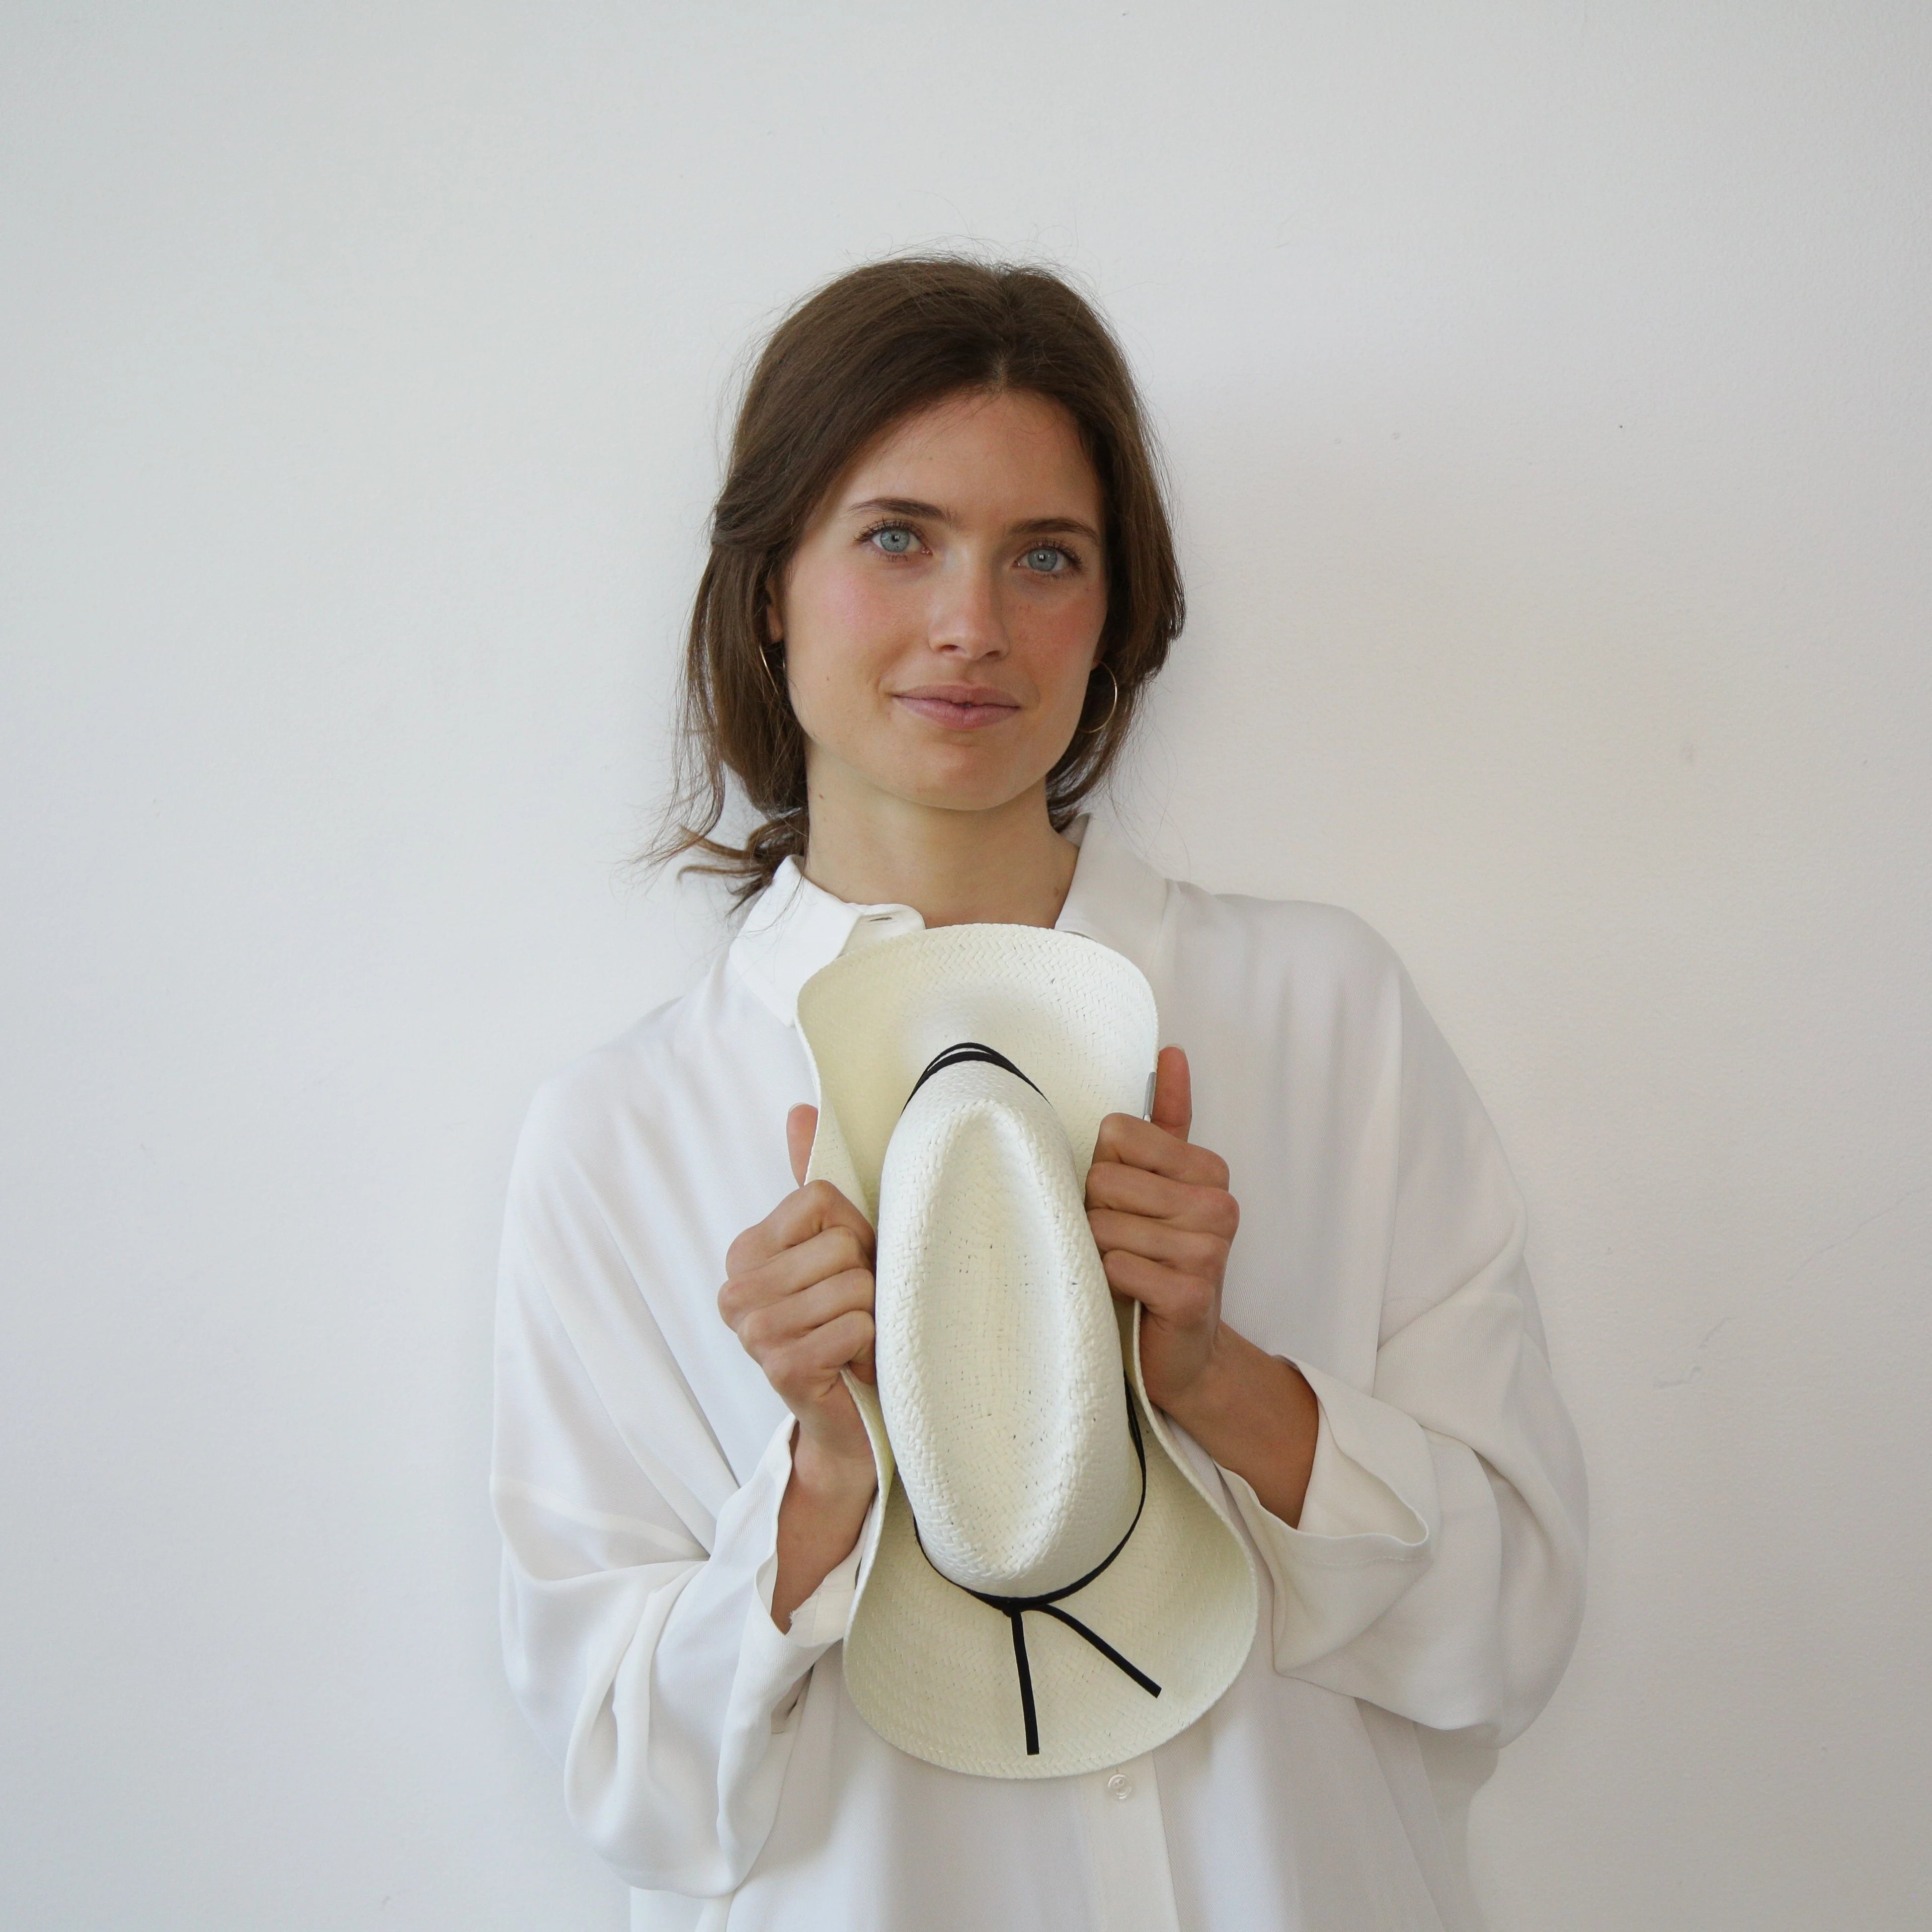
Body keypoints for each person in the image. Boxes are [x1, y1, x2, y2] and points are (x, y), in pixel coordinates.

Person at [491, 255, 1589, 1931]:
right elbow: (628, 1784)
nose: (972, 626)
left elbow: (1506, 1638)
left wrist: (1222, 1385)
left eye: (1046, 558)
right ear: (767, 586)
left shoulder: (1326, 1016)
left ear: (1119, 612)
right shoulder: (622, 1139)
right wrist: (821, 1483)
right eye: (897, 537)